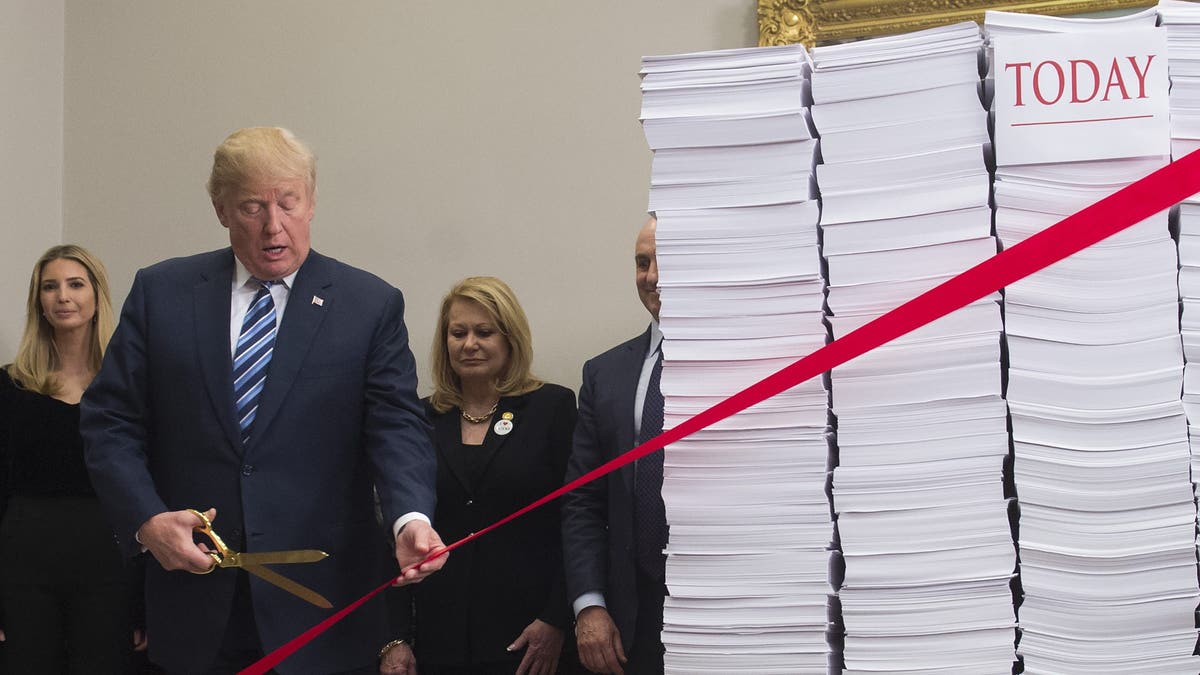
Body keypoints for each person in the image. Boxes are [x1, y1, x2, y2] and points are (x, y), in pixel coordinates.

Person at [80, 126, 446, 675]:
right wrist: (147, 520)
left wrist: (410, 517)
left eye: (288, 202)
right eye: (252, 207)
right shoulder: (162, 293)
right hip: (194, 597)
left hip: (321, 601)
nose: (274, 225)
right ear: (221, 209)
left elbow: (397, 428)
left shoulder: (368, 304)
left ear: (312, 201)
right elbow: (110, 422)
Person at [380, 276, 578, 675]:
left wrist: (556, 618)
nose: (469, 344)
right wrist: (395, 637)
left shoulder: (551, 408)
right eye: (458, 333)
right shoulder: (419, 418)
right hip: (439, 637)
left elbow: (577, 519)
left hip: (530, 636)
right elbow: (393, 531)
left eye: (484, 332)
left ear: (510, 338)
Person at [0, 244, 148, 673]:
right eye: (50, 286)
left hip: (110, 563)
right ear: (38, 302)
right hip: (23, 564)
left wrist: (147, 603)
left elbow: (150, 488)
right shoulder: (11, 387)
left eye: (75, 284)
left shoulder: (131, 387)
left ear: (96, 296)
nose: (62, 296)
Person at [561, 215, 667, 675]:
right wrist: (589, 605)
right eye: (641, 263)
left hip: (731, 608)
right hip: (629, 619)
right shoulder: (604, 375)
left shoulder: (752, 361)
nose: (651, 277)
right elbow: (582, 500)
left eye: (664, 261)